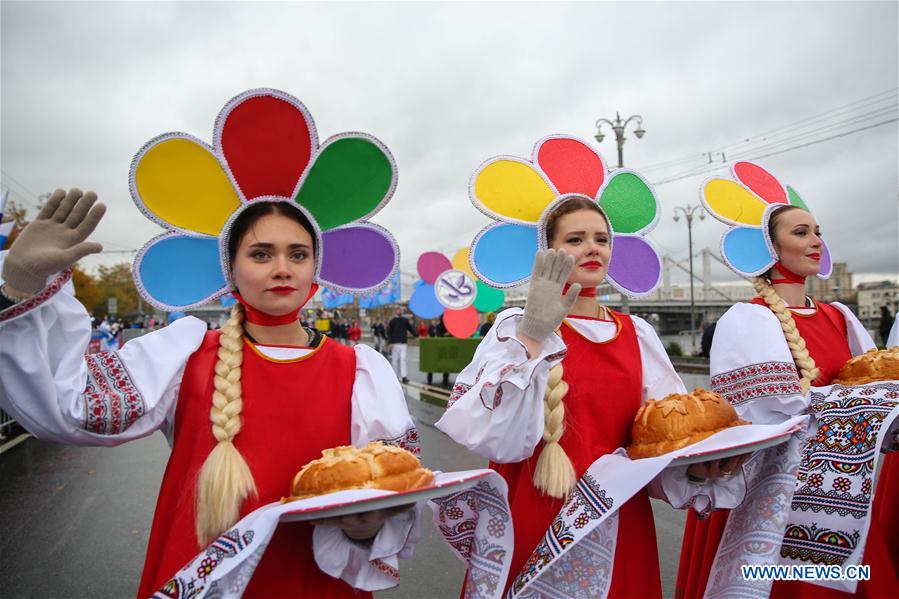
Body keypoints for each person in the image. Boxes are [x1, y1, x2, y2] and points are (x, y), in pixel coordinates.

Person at [0, 89, 418, 598]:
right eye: (261, 254)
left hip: (316, 578)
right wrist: (19, 288)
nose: (282, 268)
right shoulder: (184, 352)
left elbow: (390, 487)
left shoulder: (361, 368)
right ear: (231, 268)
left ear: (316, 268)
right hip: (204, 577)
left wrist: (366, 526)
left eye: (298, 254)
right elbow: (71, 407)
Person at [439, 181, 745, 596]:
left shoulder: (636, 334)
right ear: (547, 253)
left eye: (601, 239)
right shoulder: (514, 328)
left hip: (616, 520)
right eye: (576, 239)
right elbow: (488, 433)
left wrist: (696, 467)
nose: (593, 248)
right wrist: (533, 334)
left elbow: (661, 439)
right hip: (534, 514)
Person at [676, 162, 899, 598]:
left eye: (818, 231)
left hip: (840, 494)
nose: (816, 241)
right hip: (780, 496)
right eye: (801, 232)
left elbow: (871, 390)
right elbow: (759, 419)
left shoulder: (840, 315)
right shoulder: (748, 321)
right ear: (770, 248)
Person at [386, 306, 417, 383]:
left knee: (403, 359)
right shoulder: (392, 321)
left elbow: (410, 329)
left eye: (400, 310)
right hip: (395, 343)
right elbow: (389, 332)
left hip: (403, 343)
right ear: (396, 311)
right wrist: (390, 342)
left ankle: (404, 376)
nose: (399, 311)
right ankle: (395, 376)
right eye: (398, 310)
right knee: (395, 360)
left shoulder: (405, 320)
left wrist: (417, 335)